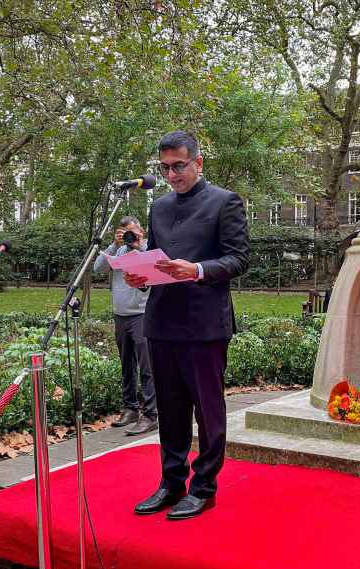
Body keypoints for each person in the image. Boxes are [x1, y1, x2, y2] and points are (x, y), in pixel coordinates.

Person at [124, 130, 249, 520]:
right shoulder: (159, 207)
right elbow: (157, 257)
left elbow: (238, 259)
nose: (173, 174)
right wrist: (140, 274)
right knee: (171, 409)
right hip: (161, 320)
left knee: (207, 411)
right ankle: (171, 482)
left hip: (204, 324)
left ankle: (204, 487)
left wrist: (196, 270)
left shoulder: (225, 202)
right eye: (165, 169)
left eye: (179, 166)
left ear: (198, 161)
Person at [93, 215, 158, 436]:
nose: (129, 236)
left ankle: (151, 414)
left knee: (147, 366)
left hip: (142, 314)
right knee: (126, 365)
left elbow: (155, 268)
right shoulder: (117, 250)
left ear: (141, 231)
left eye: (132, 232)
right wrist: (114, 244)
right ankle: (130, 408)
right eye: (125, 233)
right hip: (120, 315)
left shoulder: (148, 248)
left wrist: (138, 246)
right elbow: (98, 267)